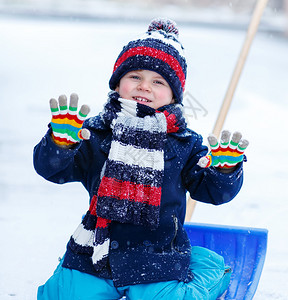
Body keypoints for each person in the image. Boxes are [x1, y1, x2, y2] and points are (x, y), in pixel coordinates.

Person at [34, 18, 248, 300]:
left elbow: (212, 191)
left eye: (158, 81)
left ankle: (209, 271)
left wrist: (224, 171)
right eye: (135, 76)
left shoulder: (184, 144)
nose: (144, 86)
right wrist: (61, 144)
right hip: (96, 251)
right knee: (60, 296)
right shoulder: (95, 133)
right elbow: (52, 170)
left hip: (157, 257)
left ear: (174, 95)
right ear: (118, 81)